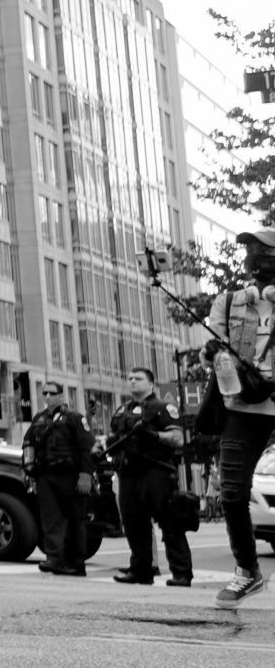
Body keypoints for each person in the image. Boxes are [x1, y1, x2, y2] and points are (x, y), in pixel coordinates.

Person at [204, 230, 275, 607]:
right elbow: (212, 353)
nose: (254, 257)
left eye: (263, 250)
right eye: (250, 250)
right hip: (243, 407)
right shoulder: (229, 302)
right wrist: (213, 353)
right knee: (232, 492)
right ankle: (247, 571)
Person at [104, 366, 191, 587]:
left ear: (150, 383)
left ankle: (181, 573)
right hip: (128, 473)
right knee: (134, 525)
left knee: (170, 524)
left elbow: (178, 439)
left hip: (156, 472)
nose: (132, 381)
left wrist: (153, 436)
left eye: (138, 378)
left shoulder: (163, 408)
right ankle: (141, 570)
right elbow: (113, 439)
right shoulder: (121, 411)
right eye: (130, 378)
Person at [23, 382, 95, 576]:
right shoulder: (39, 419)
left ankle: (76, 562)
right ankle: (54, 559)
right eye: (44, 392)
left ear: (62, 396)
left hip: (70, 476)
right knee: (50, 519)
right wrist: (29, 472)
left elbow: (86, 448)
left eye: (51, 393)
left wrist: (86, 474)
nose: (47, 396)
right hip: (46, 476)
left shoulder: (74, 418)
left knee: (75, 519)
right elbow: (28, 445)